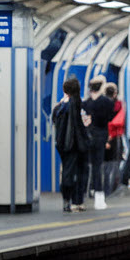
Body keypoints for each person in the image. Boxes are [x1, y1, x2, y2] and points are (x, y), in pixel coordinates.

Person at [52, 77, 90, 212]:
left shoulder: (60, 107)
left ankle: (67, 201)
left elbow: (54, 121)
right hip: (78, 145)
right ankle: (77, 201)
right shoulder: (79, 104)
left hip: (64, 145)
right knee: (80, 173)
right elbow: (83, 124)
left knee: (68, 173)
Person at [82, 78, 115, 208]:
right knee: (97, 167)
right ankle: (99, 197)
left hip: (88, 136)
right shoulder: (107, 102)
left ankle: (83, 195)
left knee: (86, 166)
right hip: (101, 137)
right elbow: (110, 117)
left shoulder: (86, 103)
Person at [104, 82, 125, 197]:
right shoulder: (118, 105)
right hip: (114, 137)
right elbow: (119, 122)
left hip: (103, 137)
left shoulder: (101, 104)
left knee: (103, 165)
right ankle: (112, 188)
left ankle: (103, 189)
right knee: (114, 163)